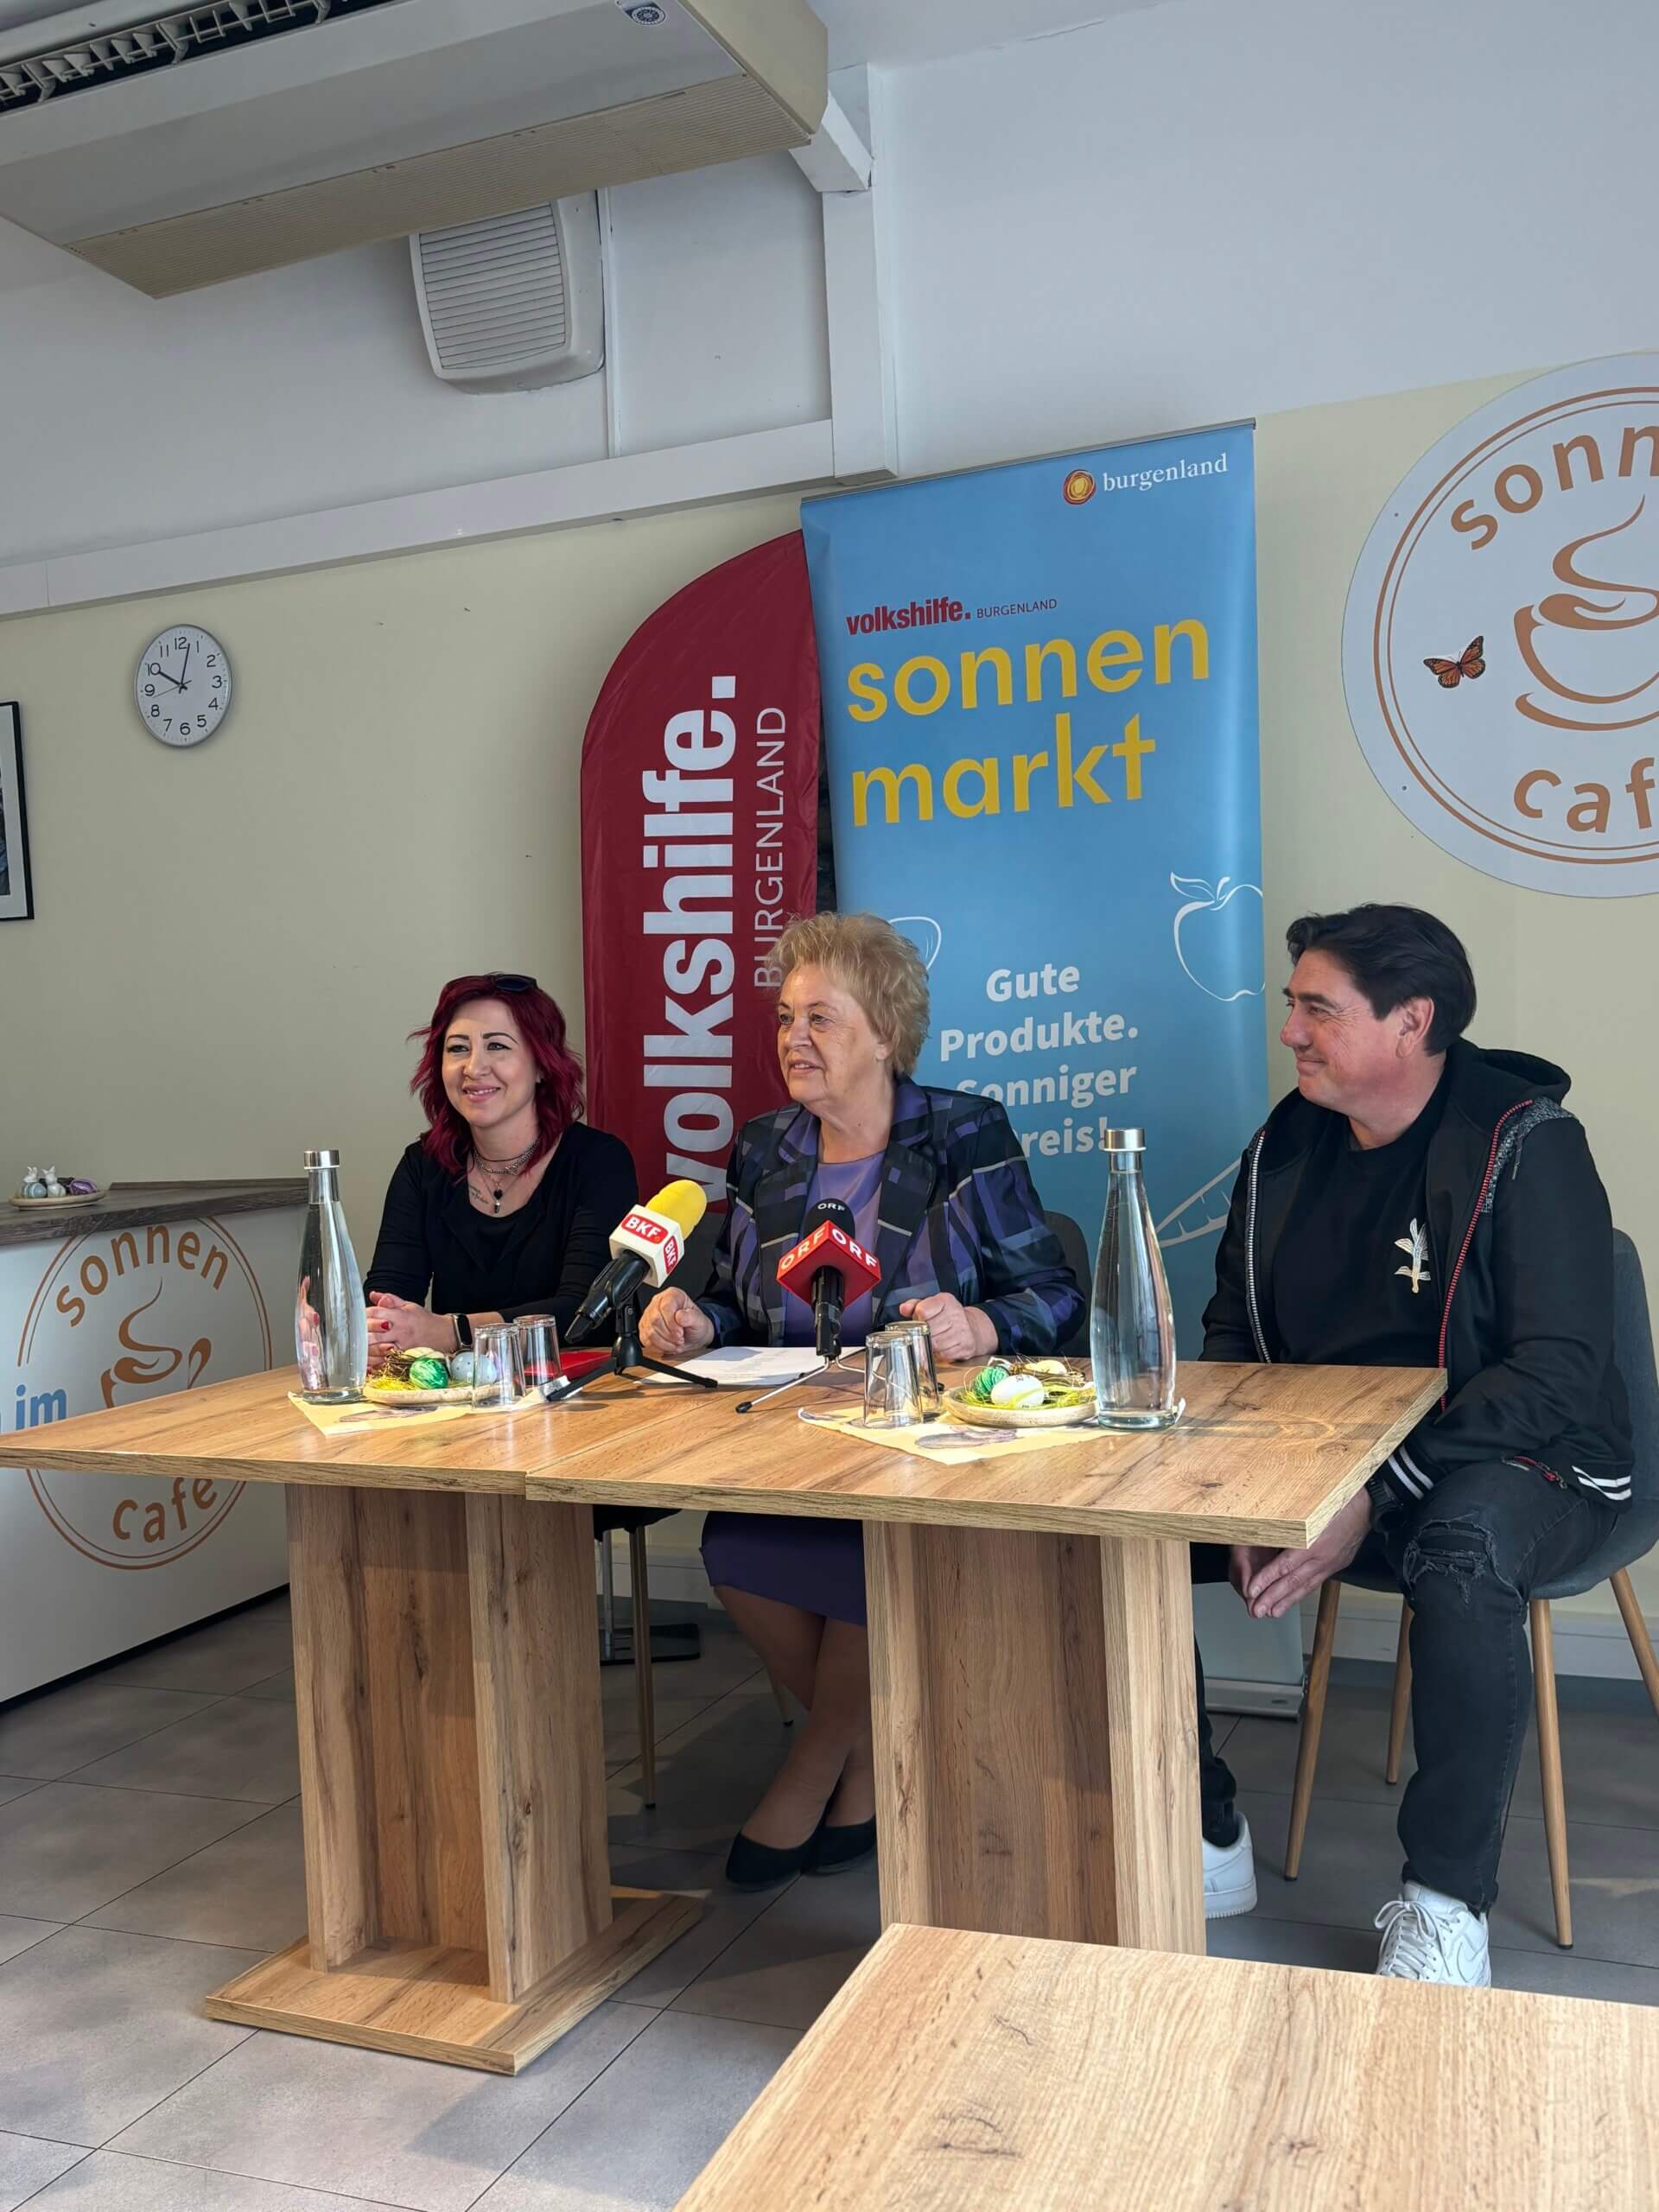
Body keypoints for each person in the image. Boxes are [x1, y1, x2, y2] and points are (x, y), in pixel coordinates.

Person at [1196, 905, 1631, 1984]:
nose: (1289, 1031)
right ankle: (1203, 1828)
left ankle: (1445, 1902)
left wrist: (1368, 1494)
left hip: (1525, 1462)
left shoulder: (1527, 1139)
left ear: (1412, 1021)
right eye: (1291, 1005)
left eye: (1316, 1008)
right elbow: (1232, 1335)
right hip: (1335, 1463)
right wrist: (1243, 1491)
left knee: (1461, 1542)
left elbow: (1556, 1375)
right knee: (1123, 1527)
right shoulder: (1285, 1143)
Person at [638, 912, 1084, 1890]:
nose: (795, 1039)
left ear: (884, 1031)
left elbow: (1053, 1294)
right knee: (735, 1549)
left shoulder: (964, 1133)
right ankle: (883, 1758)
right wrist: (698, 1322)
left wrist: (979, 1326)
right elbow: (743, 1300)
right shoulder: (765, 1147)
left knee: (878, 1551)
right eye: (787, 1018)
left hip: (925, 1450)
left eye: (822, 1020)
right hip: (797, 1436)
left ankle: (812, 1767)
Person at [364, 970, 638, 1357]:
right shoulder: (422, 1165)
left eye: (497, 1046)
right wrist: (381, 1329)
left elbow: (586, 1314)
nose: (474, 1068)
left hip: (588, 1395)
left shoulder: (599, 1161)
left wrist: (452, 1331)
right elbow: (388, 1292)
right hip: (461, 1397)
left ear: (542, 1065)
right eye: (458, 1048)